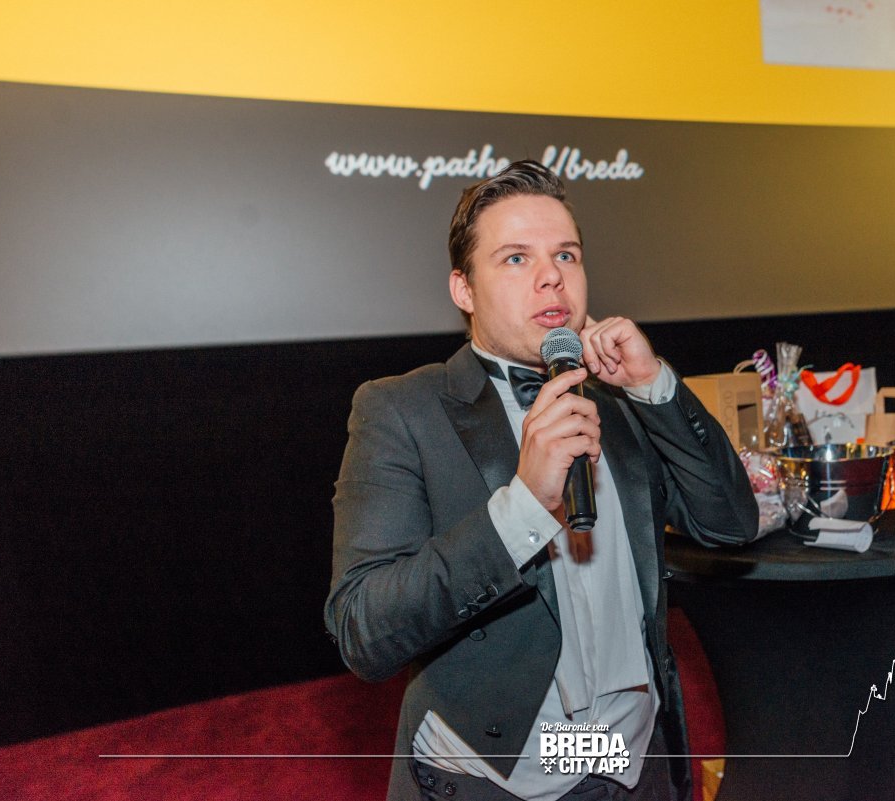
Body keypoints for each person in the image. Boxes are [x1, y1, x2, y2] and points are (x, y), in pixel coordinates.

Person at [325, 160, 759, 801]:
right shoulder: (402, 410)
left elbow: (731, 523)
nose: (552, 275)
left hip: (633, 760)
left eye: (565, 255)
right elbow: (364, 629)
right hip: (498, 775)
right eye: (515, 258)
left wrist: (653, 386)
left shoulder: (622, 397)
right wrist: (523, 506)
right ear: (463, 289)